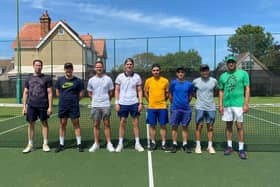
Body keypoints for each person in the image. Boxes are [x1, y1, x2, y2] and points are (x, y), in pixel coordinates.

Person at [218, 55, 250, 160]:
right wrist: (220, 105)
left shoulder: (243, 74)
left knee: (239, 126)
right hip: (227, 105)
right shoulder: (223, 76)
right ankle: (229, 146)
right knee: (228, 126)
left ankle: (241, 149)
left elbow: (247, 89)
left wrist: (246, 103)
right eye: (229, 62)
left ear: (235, 63)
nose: (231, 63)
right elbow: (221, 91)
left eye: (232, 62)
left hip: (238, 105)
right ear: (227, 64)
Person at [22, 59, 53, 153]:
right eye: (36, 65)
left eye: (40, 65)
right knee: (31, 124)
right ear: (33, 66)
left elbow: (50, 93)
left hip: (43, 105)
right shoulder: (28, 79)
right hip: (31, 105)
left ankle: (45, 143)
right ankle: (30, 144)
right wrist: (24, 106)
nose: (38, 67)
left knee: (44, 123)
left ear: (42, 67)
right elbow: (25, 92)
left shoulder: (47, 78)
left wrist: (50, 107)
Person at [114, 58, 144, 152]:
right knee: (122, 123)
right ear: (125, 66)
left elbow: (139, 91)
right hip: (122, 104)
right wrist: (116, 103)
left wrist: (140, 103)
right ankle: (120, 143)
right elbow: (117, 90)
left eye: (131, 64)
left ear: (133, 65)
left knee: (135, 123)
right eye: (127, 64)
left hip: (134, 103)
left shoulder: (137, 77)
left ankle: (137, 143)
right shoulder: (119, 77)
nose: (129, 66)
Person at [54, 62, 84, 152]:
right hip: (63, 107)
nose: (68, 70)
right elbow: (57, 93)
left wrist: (74, 100)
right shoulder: (60, 80)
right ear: (64, 70)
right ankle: (61, 144)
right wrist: (64, 100)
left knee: (76, 124)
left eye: (70, 68)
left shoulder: (78, 81)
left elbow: (81, 94)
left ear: (72, 69)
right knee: (62, 124)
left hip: (74, 107)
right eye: (67, 68)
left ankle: (79, 144)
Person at [87, 60, 115, 152]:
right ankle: (96, 144)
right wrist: (95, 101)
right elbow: (90, 92)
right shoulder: (91, 80)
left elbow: (111, 92)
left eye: (100, 67)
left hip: (106, 105)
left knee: (107, 124)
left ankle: (109, 143)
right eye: (97, 67)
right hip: (95, 105)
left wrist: (106, 100)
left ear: (103, 68)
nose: (99, 68)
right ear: (95, 68)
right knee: (96, 125)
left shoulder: (108, 79)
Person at [192, 64, 218, 154]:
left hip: (211, 107)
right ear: (200, 72)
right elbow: (193, 92)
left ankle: (210, 146)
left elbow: (215, 91)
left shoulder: (214, 81)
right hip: (200, 107)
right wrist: (199, 99)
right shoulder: (195, 81)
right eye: (203, 70)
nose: (205, 72)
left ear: (209, 71)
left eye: (206, 70)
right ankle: (198, 146)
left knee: (210, 127)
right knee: (199, 126)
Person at [168, 67, 193, 153]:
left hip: (186, 109)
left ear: (184, 73)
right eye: (179, 72)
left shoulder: (189, 84)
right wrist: (174, 103)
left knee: (185, 127)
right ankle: (174, 144)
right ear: (176, 74)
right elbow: (170, 95)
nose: (180, 74)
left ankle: (185, 144)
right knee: (174, 127)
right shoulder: (173, 83)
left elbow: (190, 96)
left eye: (182, 72)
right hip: (175, 108)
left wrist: (185, 103)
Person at [144, 64, 169, 151]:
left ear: (160, 71)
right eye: (154, 70)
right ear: (152, 71)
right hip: (151, 108)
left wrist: (163, 101)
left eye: (157, 70)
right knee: (152, 125)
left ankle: (163, 143)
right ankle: (153, 142)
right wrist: (150, 101)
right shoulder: (148, 81)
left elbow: (167, 93)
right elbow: (145, 93)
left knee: (163, 125)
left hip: (162, 107)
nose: (156, 72)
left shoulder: (165, 81)